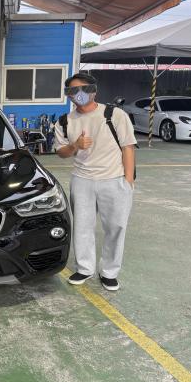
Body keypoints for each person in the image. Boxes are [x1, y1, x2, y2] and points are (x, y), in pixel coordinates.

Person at [55, 73, 136, 291]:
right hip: (82, 180)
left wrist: (128, 181)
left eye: (84, 88)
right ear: (68, 95)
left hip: (114, 179)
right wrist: (75, 145)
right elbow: (61, 153)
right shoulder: (65, 121)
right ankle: (85, 268)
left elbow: (128, 147)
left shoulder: (115, 115)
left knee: (116, 227)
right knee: (82, 227)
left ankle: (109, 272)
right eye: (73, 91)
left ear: (94, 90)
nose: (79, 94)